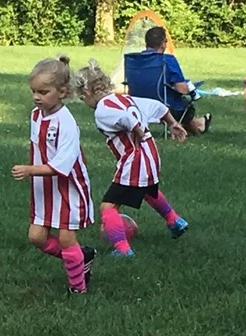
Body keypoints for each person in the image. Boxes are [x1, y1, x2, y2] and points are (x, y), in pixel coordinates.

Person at [76, 59, 190, 258]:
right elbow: (157, 106)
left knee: (108, 206)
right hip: (150, 153)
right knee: (146, 190)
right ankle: (175, 221)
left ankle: (123, 249)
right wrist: (172, 124)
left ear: (87, 93)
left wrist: (136, 129)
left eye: (82, 98)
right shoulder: (125, 99)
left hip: (134, 158)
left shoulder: (102, 109)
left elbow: (127, 120)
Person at [10, 56, 96, 295]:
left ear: (63, 92)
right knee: (36, 237)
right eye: (33, 91)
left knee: (67, 239)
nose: (37, 97)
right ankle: (82, 258)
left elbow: (62, 166)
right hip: (44, 190)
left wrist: (29, 170)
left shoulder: (65, 122)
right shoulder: (36, 115)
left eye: (43, 92)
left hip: (68, 189)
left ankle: (77, 288)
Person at [140, 26, 211, 136]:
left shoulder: (134, 59)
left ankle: (198, 124)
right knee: (184, 103)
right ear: (163, 43)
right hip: (164, 106)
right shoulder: (167, 60)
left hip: (139, 105)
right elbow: (182, 89)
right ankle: (198, 127)